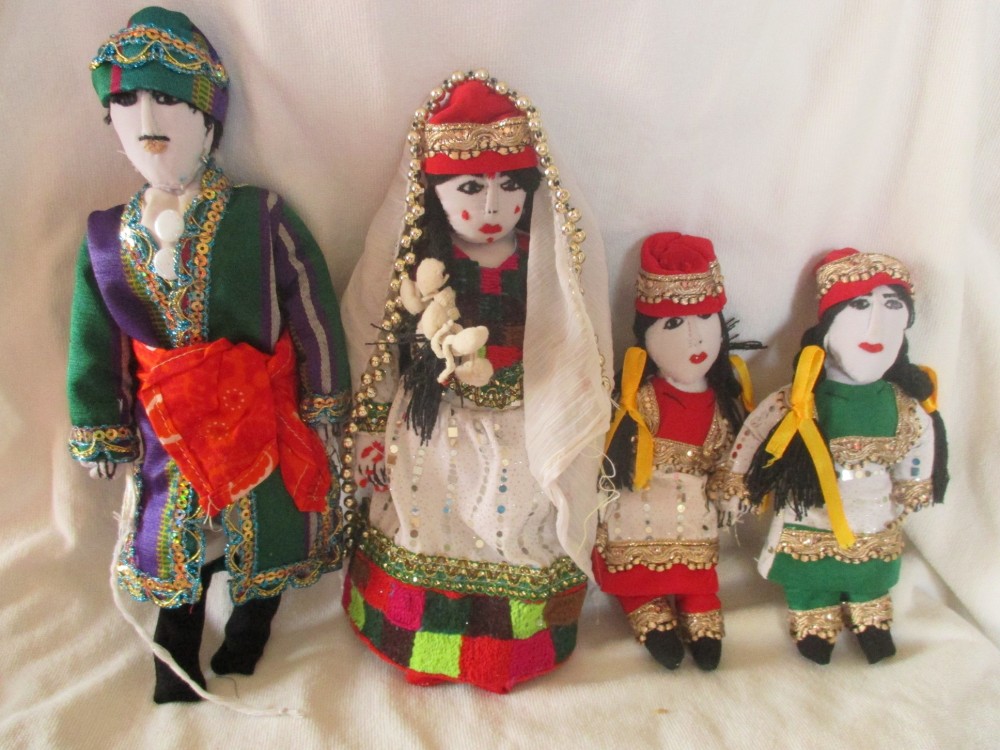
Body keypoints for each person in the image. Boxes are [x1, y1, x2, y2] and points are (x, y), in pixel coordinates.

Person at [67, 7, 350, 704]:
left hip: (260, 411)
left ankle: (251, 634)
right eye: (126, 102)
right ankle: (175, 662)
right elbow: (93, 341)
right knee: (174, 545)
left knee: (269, 529)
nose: (146, 119)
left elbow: (311, 303)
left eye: (168, 98)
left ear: (209, 115)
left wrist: (326, 399)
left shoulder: (260, 216)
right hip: (168, 433)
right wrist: (98, 425)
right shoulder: (108, 238)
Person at [339, 72, 613, 693]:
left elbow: (571, 340)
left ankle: (507, 652)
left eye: (510, 186)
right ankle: (421, 643)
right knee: (428, 514)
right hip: (437, 421)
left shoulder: (543, 264)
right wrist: (367, 431)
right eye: (469, 188)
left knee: (514, 520)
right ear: (434, 192)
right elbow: (376, 340)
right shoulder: (425, 266)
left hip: (521, 417)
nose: (493, 208)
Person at [720, 249, 948, 664]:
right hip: (810, 512)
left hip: (874, 509)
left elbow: (920, 441)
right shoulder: (798, 400)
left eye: (891, 307)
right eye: (860, 305)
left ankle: (871, 611)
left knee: (872, 569)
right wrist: (738, 482)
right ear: (825, 330)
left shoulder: (904, 405)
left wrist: (915, 482)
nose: (875, 325)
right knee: (807, 574)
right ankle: (812, 612)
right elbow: (754, 432)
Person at [597, 233, 758, 671]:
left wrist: (731, 486)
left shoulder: (728, 398)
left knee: (700, 564)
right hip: (639, 503)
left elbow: (735, 452)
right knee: (633, 554)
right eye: (672, 324)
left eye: (705, 316)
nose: (694, 337)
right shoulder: (637, 395)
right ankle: (643, 601)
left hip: (697, 510)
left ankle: (699, 599)